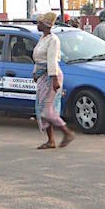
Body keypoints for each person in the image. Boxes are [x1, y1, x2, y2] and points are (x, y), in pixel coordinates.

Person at [32, 12, 75, 150]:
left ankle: (67, 132)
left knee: (47, 109)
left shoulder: (53, 40)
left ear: (45, 25)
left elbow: (51, 61)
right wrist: (35, 73)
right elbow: (38, 58)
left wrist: (54, 79)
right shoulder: (43, 38)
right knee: (42, 108)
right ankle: (51, 140)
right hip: (43, 77)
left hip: (52, 76)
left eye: (39, 23)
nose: (37, 25)